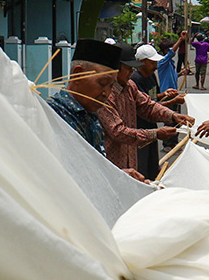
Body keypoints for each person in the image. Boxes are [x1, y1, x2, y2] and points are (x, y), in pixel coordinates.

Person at [45, 39, 146, 181]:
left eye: (111, 86)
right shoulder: (53, 115)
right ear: (78, 74)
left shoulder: (91, 117)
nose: (106, 93)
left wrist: (120, 175)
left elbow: (96, 168)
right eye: (102, 83)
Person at [98, 42, 194, 174]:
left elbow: (148, 106)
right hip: (113, 164)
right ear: (116, 68)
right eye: (128, 68)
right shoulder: (104, 95)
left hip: (132, 156)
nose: (132, 72)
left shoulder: (130, 86)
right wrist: (155, 133)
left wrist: (173, 115)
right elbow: (118, 132)